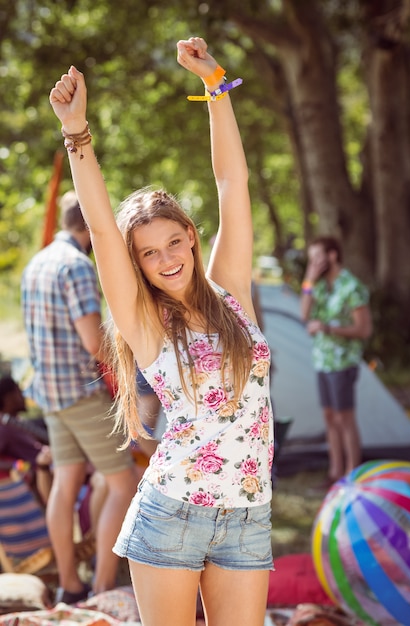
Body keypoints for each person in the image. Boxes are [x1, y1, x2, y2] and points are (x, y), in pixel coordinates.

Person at [49, 36, 274, 626]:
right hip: (173, 513)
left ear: (192, 238)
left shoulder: (231, 291)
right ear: (138, 265)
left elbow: (231, 185)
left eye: (175, 240)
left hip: (249, 515)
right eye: (149, 253)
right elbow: (100, 228)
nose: (168, 257)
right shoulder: (144, 320)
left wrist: (215, 86)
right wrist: (78, 133)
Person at [21, 191, 138, 603]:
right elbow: (94, 341)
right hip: (80, 393)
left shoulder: (38, 261)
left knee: (66, 482)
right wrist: (130, 370)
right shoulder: (77, 266)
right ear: (89, 226)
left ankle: (70, 586)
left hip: (49, 395)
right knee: (124, 483)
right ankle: (102, 587)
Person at [300, 236, 373, 486]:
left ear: (332, 256)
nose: (315, 263)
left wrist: (328, 328)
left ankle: (354, 475)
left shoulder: (351, 287)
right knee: (330, 417)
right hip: (322, 362)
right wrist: (309, 279)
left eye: (318, 258)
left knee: (345, 418)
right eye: (311, 260)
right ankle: (335, 472)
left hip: (343, 364)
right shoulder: (319, 285)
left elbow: (364, 330)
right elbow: (304, 313)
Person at [0, 375, 52, 504]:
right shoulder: (3, 427)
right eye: (18, 392)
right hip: (44, 476)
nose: (23, 397)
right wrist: (22, 466)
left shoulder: (16, 422)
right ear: (8, 398)